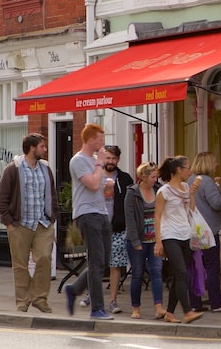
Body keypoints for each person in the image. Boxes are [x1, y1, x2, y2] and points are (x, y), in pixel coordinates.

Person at [0, 132, 58, 313]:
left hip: (43, 224)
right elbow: (1, 198)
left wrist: (52, 215)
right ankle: (22, 301)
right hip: (20, 224)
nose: (45, 149)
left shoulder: (45, 169)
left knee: (44, 259)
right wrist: (9, 221)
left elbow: (51, 194)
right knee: (20, 264)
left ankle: (40, 298)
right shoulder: (13, 169)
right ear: (32, 148)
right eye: (42, 146)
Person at [63, 123, 115, 320]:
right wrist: (100, 165)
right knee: (95, 261)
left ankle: (74, 289)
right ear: (91, 140)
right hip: (86, 214)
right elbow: (93, 184)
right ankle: (97, 309)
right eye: (100, 139)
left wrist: (108, 183)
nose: (103, 143)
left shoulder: (95, 160)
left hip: (101, 213)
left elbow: (105, 191)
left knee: (103, 260)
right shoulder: (78, 161)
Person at [154, 156, 206, 324]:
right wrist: (158, 241)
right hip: (170, 235)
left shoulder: (185, 187)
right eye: (187, 167)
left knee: (179, 276)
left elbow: (190, 210)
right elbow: (157, 216)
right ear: (178, 170)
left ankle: (169, 313)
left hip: (185, 235)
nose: (190, 171)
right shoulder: (164, 191)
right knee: (182, 272)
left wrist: (192, 194)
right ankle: (188, 311)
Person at [189, 151, 221, 312]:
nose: (216, 165)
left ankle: (194, 303)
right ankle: (216, 302)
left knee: (194, 266)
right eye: (214, 162)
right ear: (207, 163)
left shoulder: (191, 180)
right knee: (212, 266)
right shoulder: (206, 181)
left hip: (194, 229)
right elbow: (216, 204)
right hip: (208, 231)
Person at [124, 161, 164, 320]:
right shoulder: (132, 193)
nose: (156, 179)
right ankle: (136, 308)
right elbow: (130, 220)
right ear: (144, 177)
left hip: (155, 240)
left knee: (156, 272)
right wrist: (135, 242)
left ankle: (159, 306)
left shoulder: (159, 190)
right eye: (153, 177)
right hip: (138, 241)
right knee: (137, 274)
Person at [101, 144, 134, 314]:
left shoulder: (125, 178)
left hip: (119, 228)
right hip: (97, 227)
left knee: (116, 266)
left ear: (118, 160)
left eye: (114, 158)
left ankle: (113, 300)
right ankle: (93, 295)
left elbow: (131, 203)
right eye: (108, 158)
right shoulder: (95, 177)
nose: (111, 161)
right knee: (96, 264)